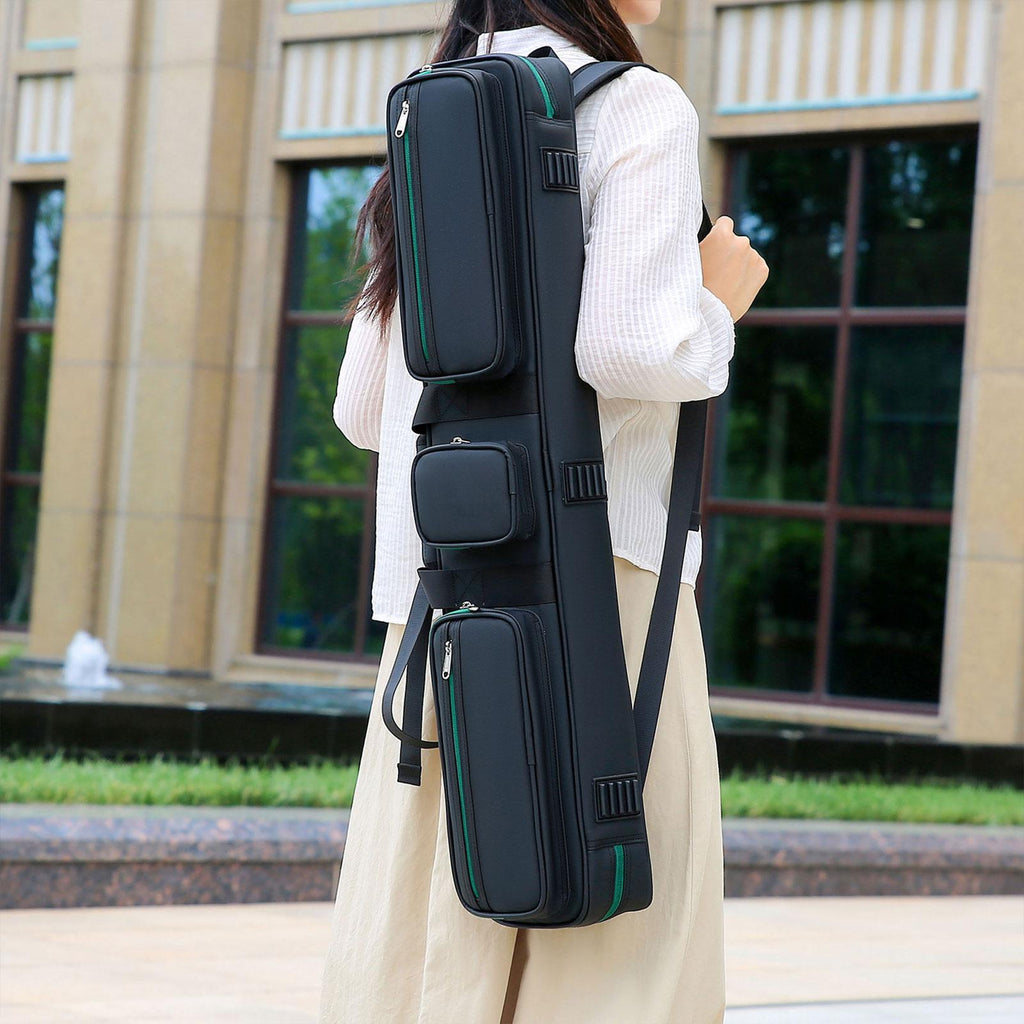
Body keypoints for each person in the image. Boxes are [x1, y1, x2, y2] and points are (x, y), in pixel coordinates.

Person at [319, 1, 769, 1020]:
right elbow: (630, 348)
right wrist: (715, 302)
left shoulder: (432, 110)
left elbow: (361, 405)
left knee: (420, 947)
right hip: (604, 589)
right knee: (616, 953)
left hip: (441, 604)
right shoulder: (637, 106)